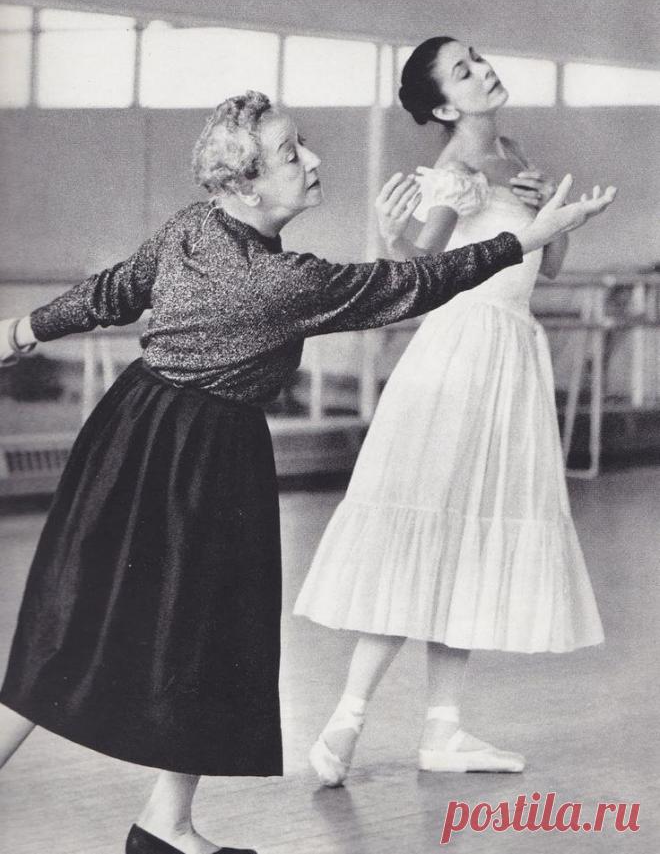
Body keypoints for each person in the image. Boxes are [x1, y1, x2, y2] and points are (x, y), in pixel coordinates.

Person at [0, 89, 614, 853]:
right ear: (246, 183)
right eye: (293, 152)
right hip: (197, 448)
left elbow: (112, 291)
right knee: (94, 620)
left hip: (138, 427)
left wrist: (21, 328)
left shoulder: (194, 226)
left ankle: (167, 824)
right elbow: (409, 286)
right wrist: (527, 239)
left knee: (176, 625)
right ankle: (161, 819)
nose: (313, 158)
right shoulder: (284, 283)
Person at [294, 38, 614, 786]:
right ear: (442, 106)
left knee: (472, 532)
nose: (483, 70)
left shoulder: (513, 149)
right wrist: (389, 230)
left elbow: (549, 264)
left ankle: (443, 727)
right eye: (463, 72)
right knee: (427, 525)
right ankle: (345, 719)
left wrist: (559, 215)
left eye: (478, 58)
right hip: (460, 353)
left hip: (513, 354)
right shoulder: (454, 172)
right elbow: (422, 272)